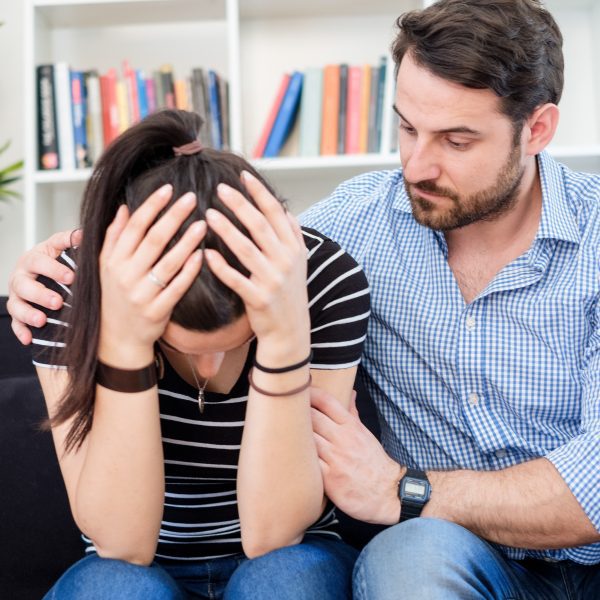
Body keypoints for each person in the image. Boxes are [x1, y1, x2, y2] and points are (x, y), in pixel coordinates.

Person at [8, 0, 600, 598]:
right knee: (412, 555)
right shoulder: (352, 228)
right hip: (444, 550)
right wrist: (61, 263)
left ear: (538, 129)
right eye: (406, 127)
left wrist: (403, 487)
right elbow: (229, 237)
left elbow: (596, 488)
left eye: (457, 139)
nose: (416, 165)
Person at [10, 108, 369, 599]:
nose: (210, 368)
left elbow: (273, 534)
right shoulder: (70, 290)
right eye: (181, 346)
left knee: (285, 582)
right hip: (132, 562)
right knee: (115, 589)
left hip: (291, 553)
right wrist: (127, 347)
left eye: (240, 341)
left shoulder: (321, 277)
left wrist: (285, 339)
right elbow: (122, 543)